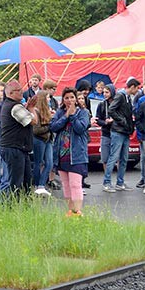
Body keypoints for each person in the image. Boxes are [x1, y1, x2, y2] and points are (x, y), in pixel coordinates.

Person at [49, 87, 91, 218]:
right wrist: (66, 116)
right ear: (63, 99)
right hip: (62, 154)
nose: (69, 100)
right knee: (66, 185)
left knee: (75, 184)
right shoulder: (60, 112)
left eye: (72, 97)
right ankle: (70, 210)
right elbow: (53, 127)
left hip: (76, 154)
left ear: (76, 99)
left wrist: (72, 116)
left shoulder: (83, 112)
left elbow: (80, 128)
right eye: (66, 98)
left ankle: (77, 211)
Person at [103, 78, 139, 192]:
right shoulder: (121, 95)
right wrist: (121, 120)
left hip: (125, 131)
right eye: (137, 88)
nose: (137, 90)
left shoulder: (128, 97)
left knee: (124, 158)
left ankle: (120, 182)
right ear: (132, 87)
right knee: (114, 157)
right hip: (118, 131)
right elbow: (111, 109)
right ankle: (107, 182)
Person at [0, 80, 33, 196]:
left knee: (25, 180)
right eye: (19, 90)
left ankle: (22, 206)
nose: (22, 92)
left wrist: (26, 108)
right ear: (11, 93)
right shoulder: (15, 107)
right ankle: (11, 207)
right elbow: (33, 121)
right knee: (16, 183)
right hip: (14, 148)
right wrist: (31, 108)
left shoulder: (8, 105)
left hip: (15, 147)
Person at [30, 90, 54, 196]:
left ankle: (42, 184)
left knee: (49, 163)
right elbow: (36, 130)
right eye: (48, 97)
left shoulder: (47, 110)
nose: (49, 100)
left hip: (48, 139)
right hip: (39, 139)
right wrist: (50, 125)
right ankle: (37, 185)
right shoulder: (36, 111)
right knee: (38, 162)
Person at [95, 84, 115, 180]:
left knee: (118, 158)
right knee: (105, 158)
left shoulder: (117, 103)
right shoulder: (102, 105)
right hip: (106, 133)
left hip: (117, 133)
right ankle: (107, 179)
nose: (105, 94)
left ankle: (120, 180)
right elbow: (97, 119)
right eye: (104, 92)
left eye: (107, 92)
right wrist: (105, 122)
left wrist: (114, 120)